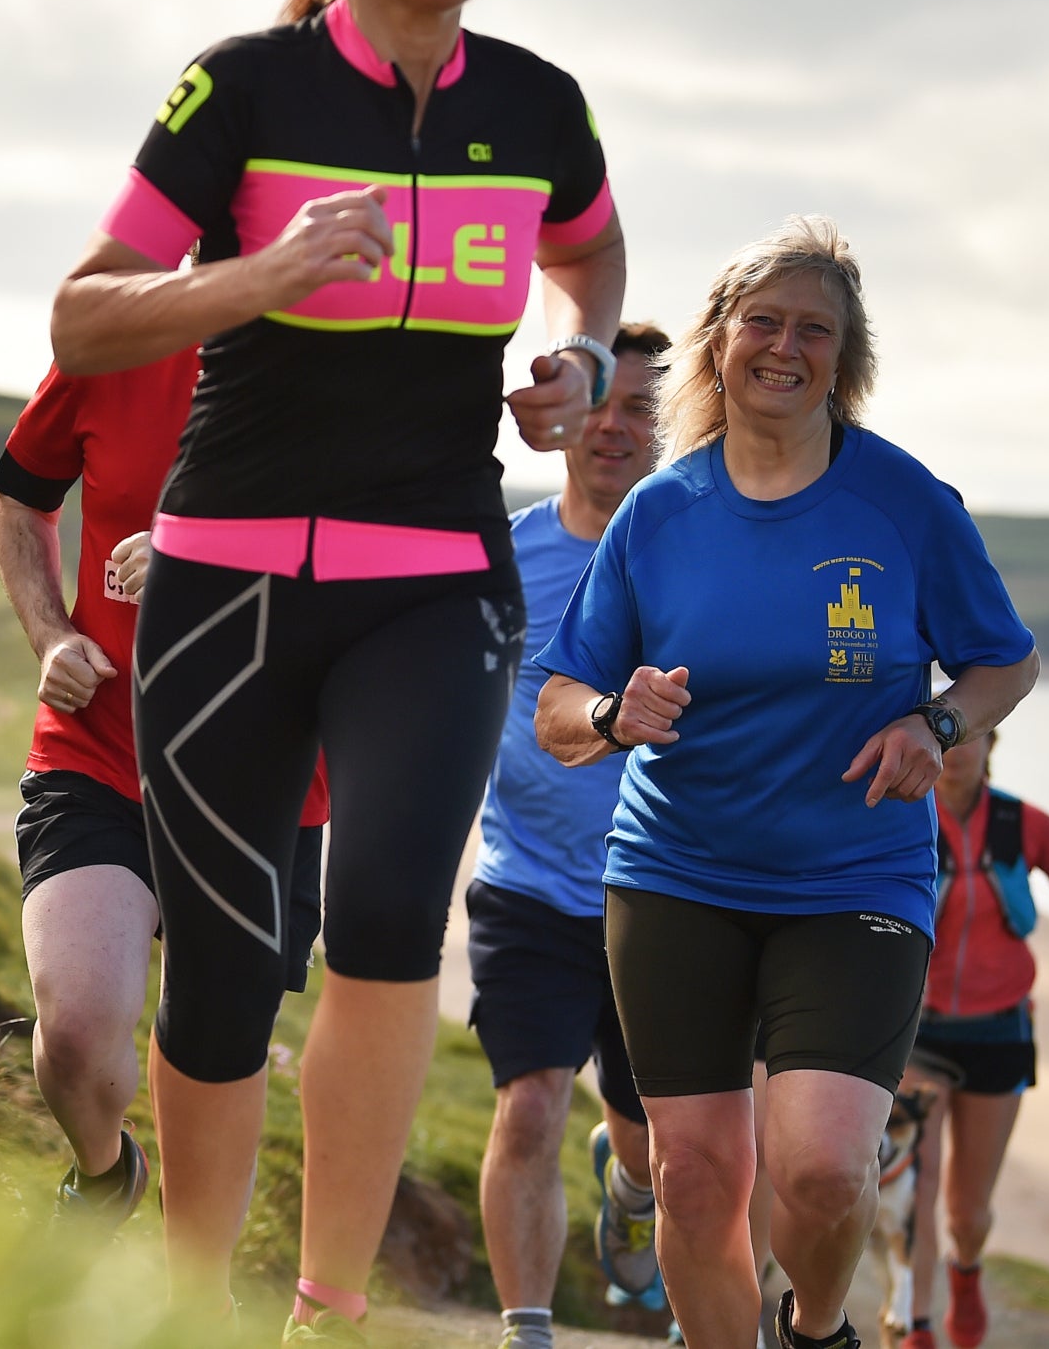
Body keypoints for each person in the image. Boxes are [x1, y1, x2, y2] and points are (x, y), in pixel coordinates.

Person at [49, 0, 628, 1341]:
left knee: (384, 922)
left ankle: (327, 1311)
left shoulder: (537, 105)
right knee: (229, 970)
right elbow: (83, 312)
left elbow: (588, 250)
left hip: (436, 577)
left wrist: (576, 362)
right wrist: (258, 273)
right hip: (224, 583)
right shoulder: (241, 90)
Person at [530, 217, 1041, 1349]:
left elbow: (1007, 659)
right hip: (677, 874)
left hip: (853, 874)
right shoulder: (662, 513)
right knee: (698, 1178)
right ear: (719, 343)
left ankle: (816, 1330)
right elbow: (559, 707)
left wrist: (938, 719)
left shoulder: (903, 504)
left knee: (817, 1171)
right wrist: (620, 714)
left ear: (843, 359)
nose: (784, 346)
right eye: (761, 321)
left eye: (815, 329)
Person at [0, 350, 331, 1223]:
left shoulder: (355, 371)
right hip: (101, 755)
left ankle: (195, 1302)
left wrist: (204, 554)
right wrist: (52, 635)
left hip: (269, 786)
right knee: (73, 1034)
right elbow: (21, 495)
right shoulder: (119, 344)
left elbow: (384, 565)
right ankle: (104, 1174)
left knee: (214, 1062)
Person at [469, 323, 673, 1349]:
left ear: (670, 427)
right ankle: (527, 1331)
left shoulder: (691, 560)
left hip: (661, 897)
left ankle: (630, 1190)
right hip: (526, 883)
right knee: (530, 1106)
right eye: (600, 404)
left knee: (651, 1142)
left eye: (640, 408)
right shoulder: (506, 555)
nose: (614, 427)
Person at [900, 729, 1049, 1349]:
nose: (952, 748)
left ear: (992, 744)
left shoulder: (1024, 824)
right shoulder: (901, 811)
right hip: (915, 1031)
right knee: (915, 1189)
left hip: (999, 1030)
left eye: (966, 735)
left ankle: (967, 1270)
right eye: (939, 733)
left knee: (967, 1210)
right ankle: (919, 1325)